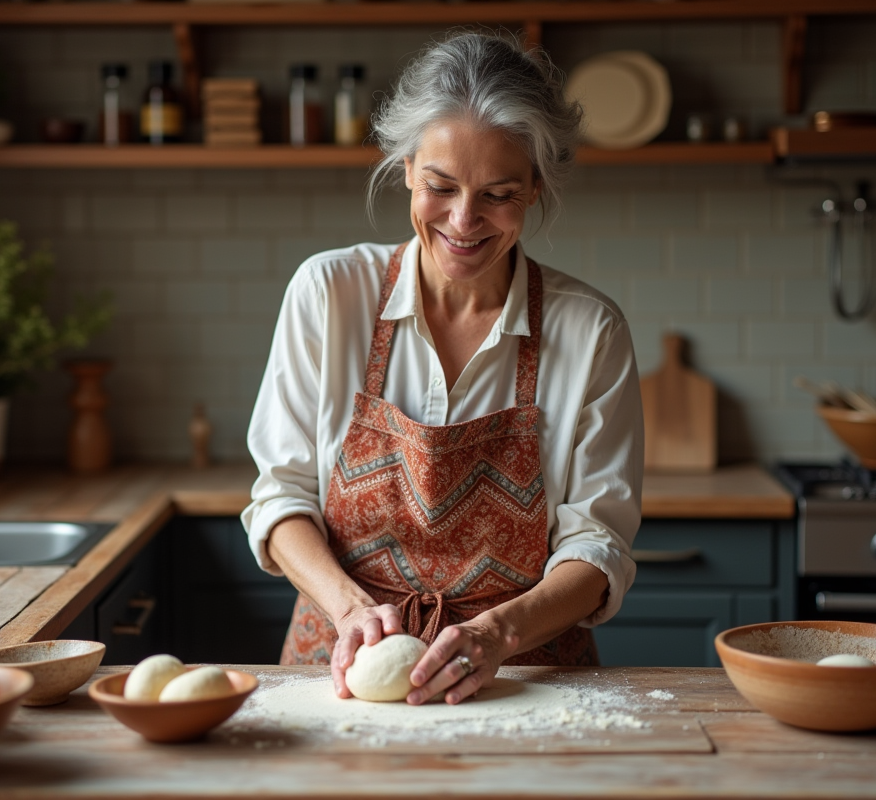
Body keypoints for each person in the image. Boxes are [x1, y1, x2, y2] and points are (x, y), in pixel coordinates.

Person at [242, 31, 643, 706]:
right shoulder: (329, 293)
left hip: (525, 678)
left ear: (536, 188)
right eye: (440, 185)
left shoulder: (591, 330)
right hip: (341, 667)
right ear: (405, 167)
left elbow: (598, 546)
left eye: (499, 193)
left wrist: (498, 632)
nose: (464, 220)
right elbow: (280, 499)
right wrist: (348, 609)